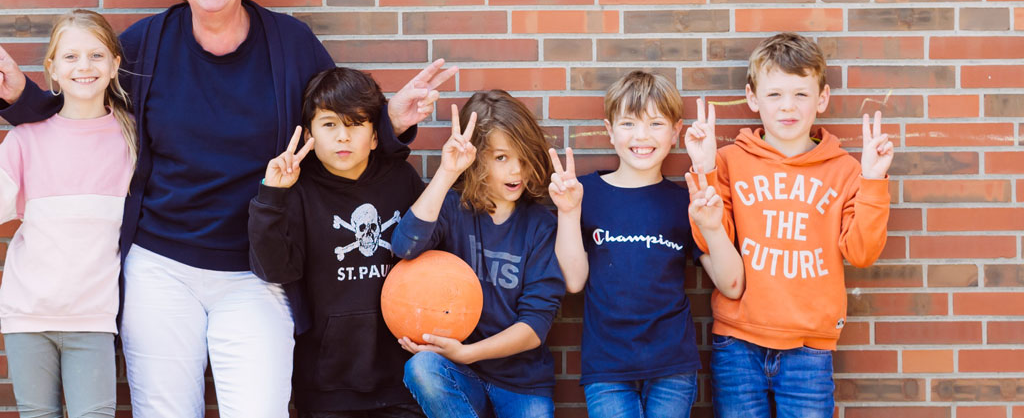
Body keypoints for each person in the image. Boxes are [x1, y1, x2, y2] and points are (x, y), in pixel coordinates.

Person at [0, 0, 457, 417]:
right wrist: (22, 94)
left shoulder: (291, 44)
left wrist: (390, 122)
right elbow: (77, 116)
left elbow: (335, 130)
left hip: (258, 271)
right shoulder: (143, 47)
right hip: (161, 265)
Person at [686, 33, 895, 417]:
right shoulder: (729, 161)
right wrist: (704, 170)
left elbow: (862, 254)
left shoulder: (846, 170)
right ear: (753, 99)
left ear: (822, 99)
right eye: (775, 95)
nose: (788, 107)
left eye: (801, 94)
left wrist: (873, 181)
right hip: (738, 343)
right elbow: (712, 239)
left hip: (809, 349)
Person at [0, 10, 134, 418]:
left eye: (96, 55)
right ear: (51, 68)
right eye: (70, 57)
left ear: (115, 64)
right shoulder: (25, 140)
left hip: (94, 319)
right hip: (28, 319)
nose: (83, 66)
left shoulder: (132, 141)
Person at [550, 71, 746, 418]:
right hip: (607, 366)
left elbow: (732, 285)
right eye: (628, 124)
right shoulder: (585, 193)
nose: (641, 136)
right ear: (609, 130)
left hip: (672, 364)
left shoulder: (685, 201)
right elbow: (574, 281)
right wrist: (568, 213)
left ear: (676, 132)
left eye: (655, 124)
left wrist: (713, 229)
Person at [247, 67, 426, 418]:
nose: (343, 136)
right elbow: (274, 269)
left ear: (376, 136)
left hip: (400, 376)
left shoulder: (402, 181)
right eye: (329, 124)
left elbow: (432, 251)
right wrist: (271, 198)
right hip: (326, 382)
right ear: (310, 134)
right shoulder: (298, 191)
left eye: (356, 123)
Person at [390, 91, 565, 418]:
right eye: (501, 158)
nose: (516, 171)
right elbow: (404, 247)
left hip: (521, 383)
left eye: (523, 157)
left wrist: (467, 352)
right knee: (422, 367)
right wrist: (447, 173)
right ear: (477, 157)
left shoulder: (541, 225)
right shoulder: (453, 208)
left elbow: (534, 327)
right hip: (459, 375)